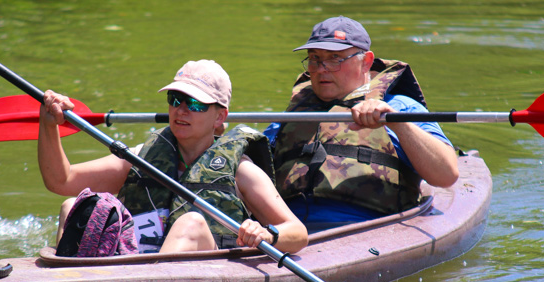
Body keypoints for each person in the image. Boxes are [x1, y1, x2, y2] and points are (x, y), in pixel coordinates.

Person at [38, 60, 308, 254]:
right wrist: (49, 125)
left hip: (200, 273)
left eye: (195, 104)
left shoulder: (241, 170)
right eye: (175, 99)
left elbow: (297, 233)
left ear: (220, 117)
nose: (181, 110)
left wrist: (266, 233)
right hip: (134, 265)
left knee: (190, 224)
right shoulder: (141, 158)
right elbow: (61, 181)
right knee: (74, 205)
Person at [264, 16, 459, 232]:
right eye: (314, 59)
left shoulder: (400, 106)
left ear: (366, 61)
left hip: (365, 231)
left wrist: (396, 123)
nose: (321, 69)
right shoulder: (293, 115)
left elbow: (446, 175)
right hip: (287, 232)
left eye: (335, 59)